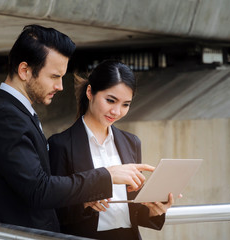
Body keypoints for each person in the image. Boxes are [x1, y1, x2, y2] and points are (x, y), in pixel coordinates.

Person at [0, 25, 154, 233]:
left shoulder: (16, 113)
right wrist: (107, 176)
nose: (60, 86)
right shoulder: (5, 118)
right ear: (24, 71)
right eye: (54, 76)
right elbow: (39, 190)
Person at [48, 60, 174, 240]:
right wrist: (83, 203)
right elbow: (52, 212)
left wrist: (155, 210)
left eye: (125, 104)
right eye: (110, 100)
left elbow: (131, 210)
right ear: (90, 92)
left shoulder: (132, 142)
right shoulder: (60, 145)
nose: (116, 111)